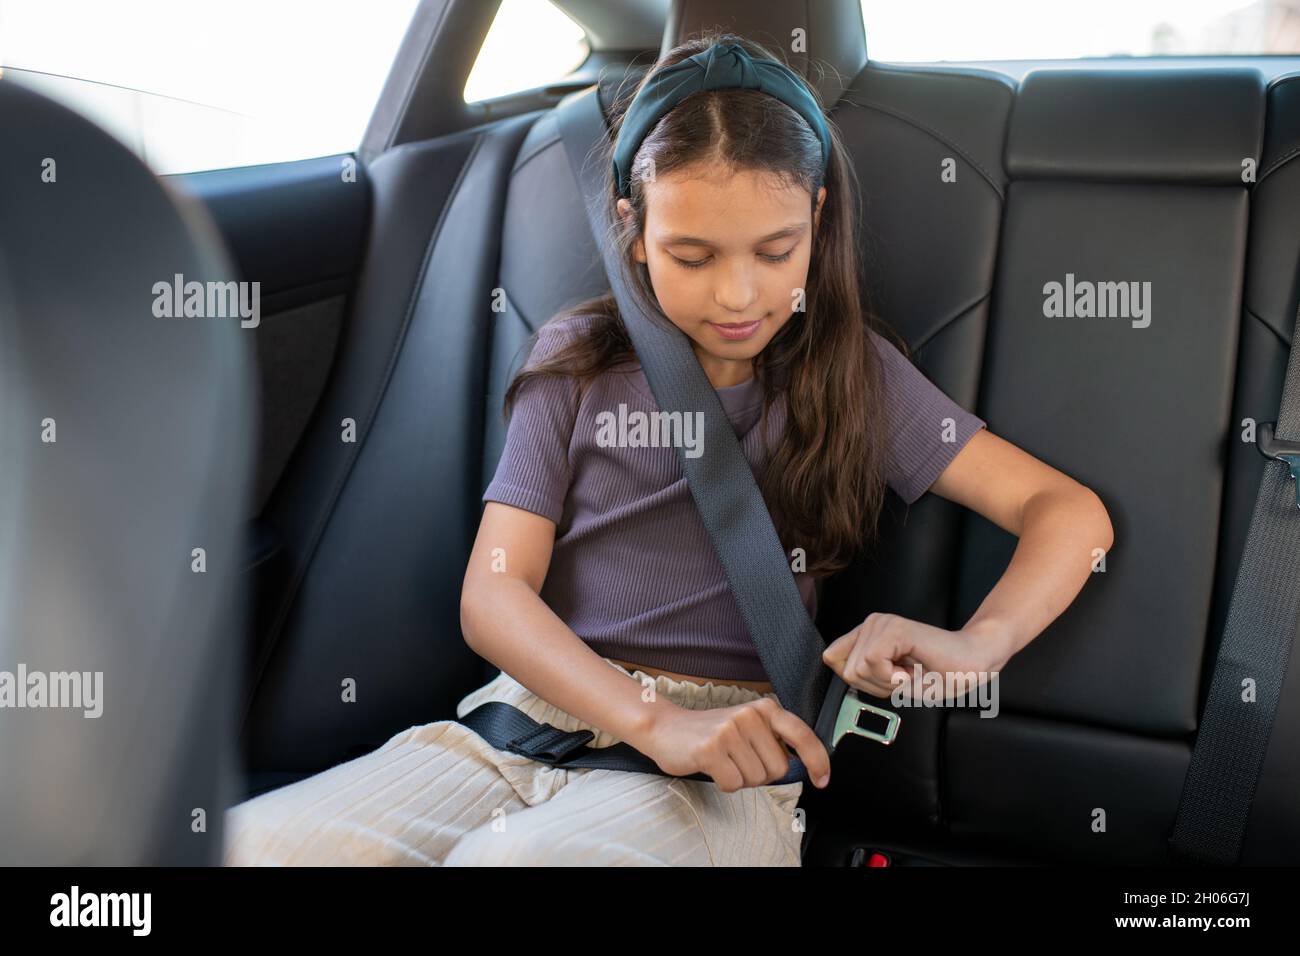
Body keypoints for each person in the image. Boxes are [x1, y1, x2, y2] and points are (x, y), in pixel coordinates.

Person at [223, 33, 1114, 867]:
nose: (738, 293)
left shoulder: (853, 374)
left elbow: (1067, 513)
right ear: (634, 231)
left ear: (818, 215)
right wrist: (647, 718)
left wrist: (977, 644)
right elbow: (495, 591)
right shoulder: (576, 363)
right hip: (519, 723)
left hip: (727, 761)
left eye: (776, 250)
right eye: (691, 255)